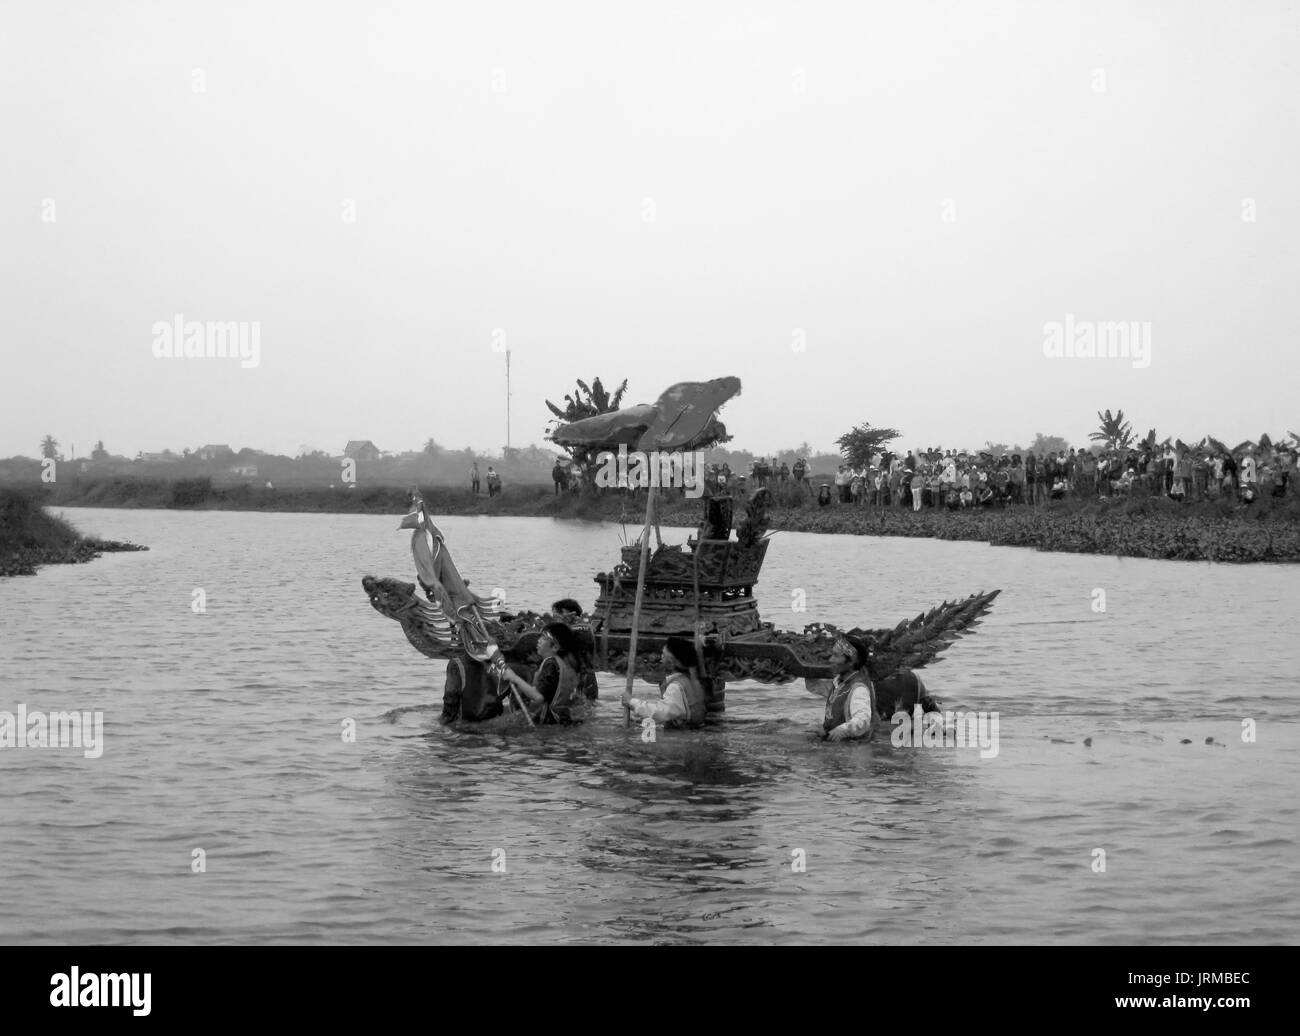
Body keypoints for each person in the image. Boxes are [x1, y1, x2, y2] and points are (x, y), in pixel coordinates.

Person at [501, 623, 587, 724]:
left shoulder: (550, 664)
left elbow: (538, 697)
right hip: (563, 719)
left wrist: (514, 677)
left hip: (548, 721)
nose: (538, 640)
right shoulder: (567, 665)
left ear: (555, 647)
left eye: (544, 638)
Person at [621, 637, 707, 729]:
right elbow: (675, 713)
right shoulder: (691, 680)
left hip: (682, 737)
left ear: (671, 662)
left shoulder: (676, 686)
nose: (661, 658)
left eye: (663, 654)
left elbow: (661, 713)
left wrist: (632, 702)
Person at [823, 636, 877, 742]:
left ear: (851, 662)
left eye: (836, 656)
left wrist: (843, 730)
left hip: (854, 750)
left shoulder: (859, 688)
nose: (830, 660)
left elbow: (863, 720)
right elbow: (813, 686)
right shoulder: (838, 681)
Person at [551, 599, 599, 699]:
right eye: (554, 616)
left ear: (569, 613)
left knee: (584, 707)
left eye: (558, 614)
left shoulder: (581, 629)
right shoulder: (583, 628)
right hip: (577, 676)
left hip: (582, 677)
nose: (555, 618)